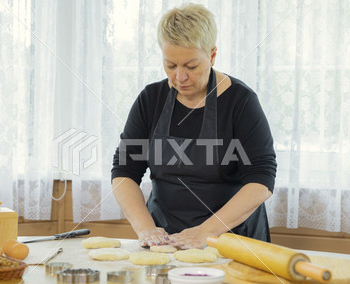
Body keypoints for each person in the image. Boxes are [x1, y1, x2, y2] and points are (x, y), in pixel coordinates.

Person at [111, 3, 276, 249]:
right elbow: (124, 172)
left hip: (231, 240)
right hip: (165, 241)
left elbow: (261, 180)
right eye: (170, 66)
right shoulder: (150, 99)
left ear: (212, 55)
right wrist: (146, 228)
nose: (180, 77)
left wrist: (206, 232)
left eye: (191, 66)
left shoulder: (241, 102)